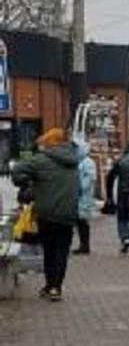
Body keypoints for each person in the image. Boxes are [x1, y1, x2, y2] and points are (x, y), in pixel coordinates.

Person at [12, 128, 79, 301]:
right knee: (62, 251)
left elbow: (17, 170)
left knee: (49, 250)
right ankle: (56, 287)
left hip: (46, 214)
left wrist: (26, 182)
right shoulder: (74, 159)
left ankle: (51, 285)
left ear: (48, 142)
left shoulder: (41, 160)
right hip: (68, 213)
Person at [73, 138, 96, 254]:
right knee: (79, 222)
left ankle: (85, 246)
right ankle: (83, 245)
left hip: (83, 197)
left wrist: (79, 188)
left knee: (82, 222)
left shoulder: (87, 162)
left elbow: (89, 179)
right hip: (77, 197)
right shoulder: (77, 161)